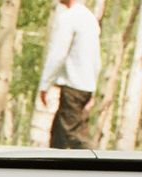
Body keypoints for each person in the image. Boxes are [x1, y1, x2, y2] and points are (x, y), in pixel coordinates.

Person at [36, 0, 100, 149]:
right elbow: (96, 59)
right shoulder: (89, 18)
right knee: (58, 135)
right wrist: (92, 88)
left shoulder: (69, 18)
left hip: (73, 86)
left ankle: (100, 166)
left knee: (74, 135)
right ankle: (52, 168)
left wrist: (45, 84)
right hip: (84, 86)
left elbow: (58, 54)